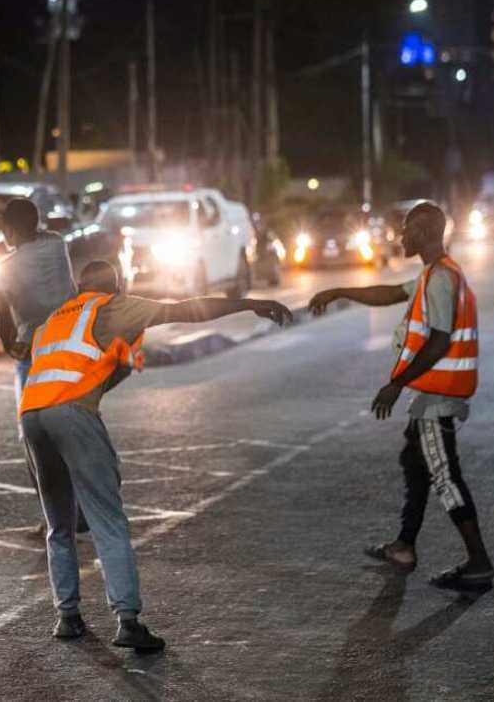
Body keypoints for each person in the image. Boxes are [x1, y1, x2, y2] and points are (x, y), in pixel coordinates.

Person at [19, 260, 292, 651]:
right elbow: (187, 309)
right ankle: (127, 621)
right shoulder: (114, 306)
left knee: (58, 524)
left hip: (31, 415)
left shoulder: (53, 320)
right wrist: (248, 303)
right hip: (71, 413)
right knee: (107, 520)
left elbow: (70, 367)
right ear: (115, 286)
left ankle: (68, 617)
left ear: (78, 287)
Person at [309, 202, 494, 591]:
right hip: (429, 395)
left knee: (445, 477)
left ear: (425, 233)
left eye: (407, 230)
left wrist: (395, 384)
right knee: (415, 462)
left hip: (437, 396)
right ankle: (404, 545)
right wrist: (340, 290)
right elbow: (390, 292)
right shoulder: (432, 275)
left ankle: (478, 562)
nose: (400, 236)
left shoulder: (442, 278)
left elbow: (439, 339)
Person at [0, 197, 85, 537]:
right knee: (74, 430)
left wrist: (8, 345)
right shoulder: (56, 246)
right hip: (73, 350)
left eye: (5, 226)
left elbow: (1, 317)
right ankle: (83, 509)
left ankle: (56, 516)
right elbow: (39, 230)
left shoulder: (4, 268)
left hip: (34, 355)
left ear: (12, 229)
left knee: (34, 436)